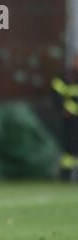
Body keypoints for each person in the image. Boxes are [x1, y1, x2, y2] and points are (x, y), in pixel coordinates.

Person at [52, 53, 78, 181]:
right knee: (70, 146)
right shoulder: (66, 77)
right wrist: (66, 108)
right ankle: (66, 175)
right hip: (70, 119)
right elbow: (56, 94)